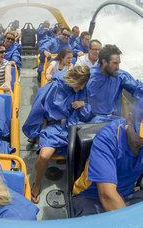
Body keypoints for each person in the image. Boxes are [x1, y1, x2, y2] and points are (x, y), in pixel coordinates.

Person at [72, 96, 143, 216]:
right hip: (91, 196)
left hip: (129, 193)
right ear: (129, 119)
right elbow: (107, 195)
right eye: (141, 133)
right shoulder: (107, 140)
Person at [22, 66, 91, 203]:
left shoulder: (84, 89)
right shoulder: (53, 87)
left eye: (83, 86)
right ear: (72, 80)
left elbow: (89, 111)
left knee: (89, 152)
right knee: (44, 155)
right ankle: (36, 184)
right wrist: (35, 133)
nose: (81, 89)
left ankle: (79, 185)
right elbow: (37, 109)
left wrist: (83, 104)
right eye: (79, 85)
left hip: (75, 126)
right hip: (54, 127)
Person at [87, 44, 143, 122]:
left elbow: (136, 87)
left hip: (115, 121)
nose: (118, 67)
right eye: (115, 63)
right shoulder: (89, 77)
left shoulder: (120, 75)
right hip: (93, 122)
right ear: (104, 62)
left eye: (119, 63)